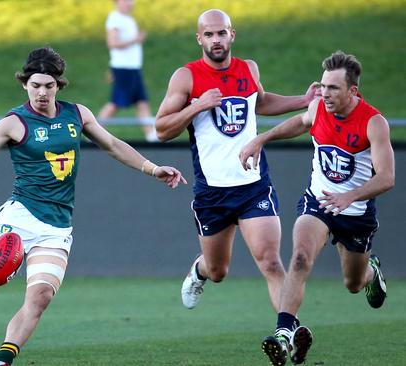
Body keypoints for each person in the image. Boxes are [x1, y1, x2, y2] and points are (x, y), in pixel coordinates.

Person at [0, 47, 186, 366]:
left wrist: (152, 168)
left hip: (57, 227)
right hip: (19, 218)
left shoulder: (77, 114)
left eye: (48, 86)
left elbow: (114, 145)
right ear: (25, 84)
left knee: (40, 297)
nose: (41, 92)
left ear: (58, 86)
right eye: (35, 85)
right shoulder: (13, 122)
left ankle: (1, 360)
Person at [154, 9, 319, 315]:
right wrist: (198, 106)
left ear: (232, 35)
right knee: (218, 271)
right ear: (199, 38)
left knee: (271, 261)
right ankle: (200, 271)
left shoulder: (248, 68)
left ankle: (287, 332)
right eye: (209, 34)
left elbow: (261, 101)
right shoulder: (186, 76)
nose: (216, 40)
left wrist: (302, 100)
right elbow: (162, 129)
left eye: (221, 33)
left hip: (253, 185)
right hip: (213, 191)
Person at [240, 51, 393, 366]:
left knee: (352, 284)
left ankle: (370, 272)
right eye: (323, 86)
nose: (325, 93)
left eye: (334, 88)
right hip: (318, 202)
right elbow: (299, 122)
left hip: (356, 213)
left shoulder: (373, 122)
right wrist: (261, 139)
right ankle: (284, 332)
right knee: (298, 258)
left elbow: (387, 177)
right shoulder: (317, 107)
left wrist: (350, 196)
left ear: (353, 91)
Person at [98, 0, 157, 142]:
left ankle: (151, 136)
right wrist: (135, 40)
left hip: (133, 68)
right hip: (123, 68)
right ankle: (94, 132)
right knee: (115, 103)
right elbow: (112, 43)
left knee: (142, 102)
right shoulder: (115, 18)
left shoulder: (129, 19)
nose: (131, 3)